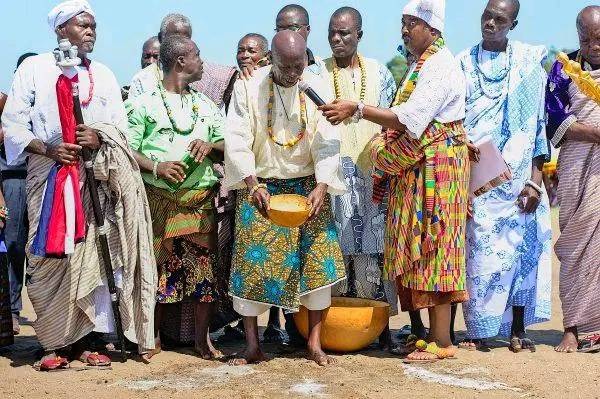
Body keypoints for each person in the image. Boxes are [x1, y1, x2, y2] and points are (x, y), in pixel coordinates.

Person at [1, 0, 157, 369]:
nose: (91, 32)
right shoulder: (33, 69)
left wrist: (99, 136)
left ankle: (89, 340)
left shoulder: (102, 73)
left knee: (96, 260)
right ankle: (54, 343)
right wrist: (49, 148)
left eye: (93, 27)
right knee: (49, 257)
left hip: (93, 179)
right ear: (60, 30)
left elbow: (121, 128)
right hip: (49, 177)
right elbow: (13, 125)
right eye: (82, 25)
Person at [319, 0, 469, 362]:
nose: (404, 30)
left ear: (432, 30)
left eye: (411, 24)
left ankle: (443, 341)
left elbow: (410, 119)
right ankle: (431, 335)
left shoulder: (439, 66)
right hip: (418, 169)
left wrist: (357, 109)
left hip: (436, 170)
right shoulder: (421, 65)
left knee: (435, 244)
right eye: (402, 23)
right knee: (420, 246)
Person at [224, 31, 346, 366]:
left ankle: (314, 345)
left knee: (318, 264)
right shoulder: (248, 88)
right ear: (269, 61)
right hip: (260, 188)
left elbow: (328, 140)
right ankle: (253, 346)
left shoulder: (314, 88)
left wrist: (322, 185)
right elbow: (235, 139)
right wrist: (251, 184)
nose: (294, 74)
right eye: (286, 66)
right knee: (252, 267)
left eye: (299, 65)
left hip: (307, 188)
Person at [458, 0, 552, 353]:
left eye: (500, 19)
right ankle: (478, 331)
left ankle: (516, 329)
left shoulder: (529, 65)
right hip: (477, 180)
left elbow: (537, 129)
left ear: (513, 23)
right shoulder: (463, 63)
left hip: (517, 185)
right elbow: (455, 120)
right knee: (477, 256)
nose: (491, 23)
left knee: (520, 251)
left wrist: (534, 181)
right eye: (487, 16)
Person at [127, 34, 224, 360]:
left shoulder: (206, 106)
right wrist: (156, 166)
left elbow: (230, 146)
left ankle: (202, 341)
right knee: (153, 270)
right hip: (158, 202)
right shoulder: (142, 104)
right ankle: (151, 338)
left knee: (203, 273)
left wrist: (212, 147)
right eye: (198, 55)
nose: (202, 62)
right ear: (181, 61)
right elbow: (125, 149)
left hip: (198, 203)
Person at [323, 7, 398, 349]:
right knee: (333, 255)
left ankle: (379, 331)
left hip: (372, 178)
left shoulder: (381, 74)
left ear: (359, 35)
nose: (337, 39)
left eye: (345, 34)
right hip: (332, 177)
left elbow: (391, 123)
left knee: (374, 256)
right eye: (333, 34)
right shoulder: (315, 74)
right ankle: (332, 332)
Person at [547, 5, 600, 353]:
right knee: (575, 242)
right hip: (576, 165)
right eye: (586, 38)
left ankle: (596, 327)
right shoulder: (563, 69)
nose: (594, 45)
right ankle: (571, 326)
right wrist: (595, 134)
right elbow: (553, 122)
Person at [128, 14, 237, 111]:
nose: (179, 44)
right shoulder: (142, 79)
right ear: (161, 38)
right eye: (174, 38)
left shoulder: (206, 74)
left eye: (185, 39)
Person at [0, 52, 37, 336]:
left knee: (41, 247)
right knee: (13, 245)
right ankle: (12, 310)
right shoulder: (6, 105)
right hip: (10, 179)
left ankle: (45, 310)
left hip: (42, 178)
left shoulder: (48, 102)